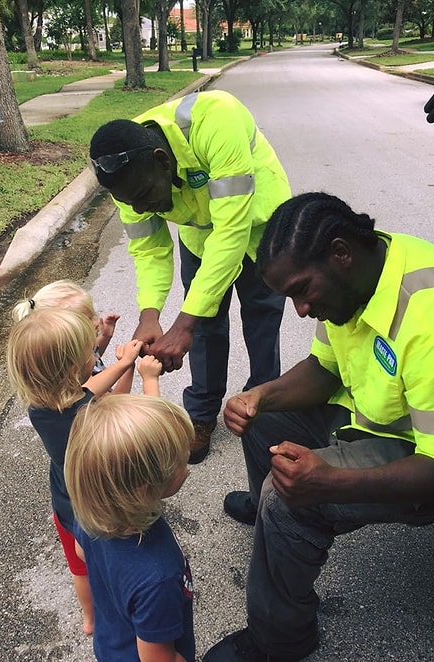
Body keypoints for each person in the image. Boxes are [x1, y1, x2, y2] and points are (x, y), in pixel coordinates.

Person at [203, 192, 434, 661]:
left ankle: (279, 639)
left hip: (424, 454)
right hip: (371, 419)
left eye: (302, 291)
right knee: (265, 422)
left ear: (341, 254)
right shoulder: (358, 278)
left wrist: (329, 482)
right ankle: (267, 517)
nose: (299, 310)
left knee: (290, 501)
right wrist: (261, 395)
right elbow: (325, 370)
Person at [89, 90, 291, 463]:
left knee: (262, 318)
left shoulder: (217, 118)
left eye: (145, 195)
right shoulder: (125, 178)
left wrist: (182, 323)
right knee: (206, 327)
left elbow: (232, 230)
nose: (140, 207)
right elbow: (149, 249)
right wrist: (150, 315)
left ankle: (263, 405)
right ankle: (201, 414)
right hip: (201, 236)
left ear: (162, 161)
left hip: (259, 227)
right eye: (130, 202)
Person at [6, 306, 159, 635]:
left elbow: (94, 388)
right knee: (105, 559)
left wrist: (122, 364)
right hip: (96, 502)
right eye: (90, 352)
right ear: (75, 369)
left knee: (77, 566)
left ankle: (90, 619)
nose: (95, 355)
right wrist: (131, 366)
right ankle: (123, 608)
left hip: (64, 499)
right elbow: (114, 399)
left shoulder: (40, 406)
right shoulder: (83, 411)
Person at [65, 394, 195, 662]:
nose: (187, 465)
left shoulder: (92, 514)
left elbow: (80, 552)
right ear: (144, 490)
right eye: (182, 461)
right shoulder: (157, 577)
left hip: (111, 644)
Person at [12, 279, 128, 390]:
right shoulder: (75, 377)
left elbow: (93, 356)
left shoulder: (74, 354)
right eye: (87, 320)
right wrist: (126, 365)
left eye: (93, 316)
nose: (96, 323)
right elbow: (116, 401)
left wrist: (105, 336)